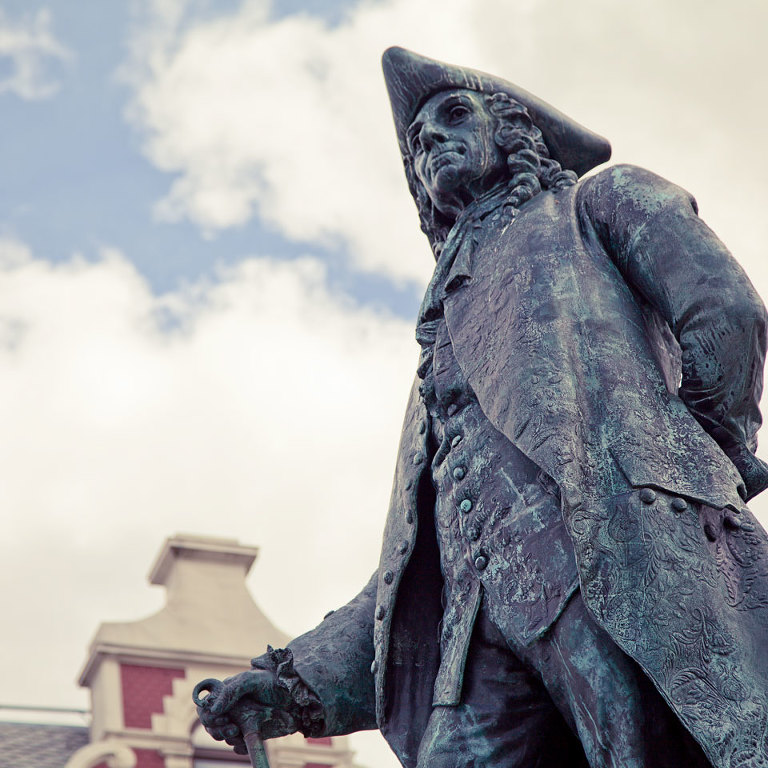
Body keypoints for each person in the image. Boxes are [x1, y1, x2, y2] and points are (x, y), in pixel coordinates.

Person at [196, 48, 768, 768]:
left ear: (516, 133)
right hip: (475, 640)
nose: (430, 138)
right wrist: (287, 682)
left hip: (615, 561)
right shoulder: (442, 351)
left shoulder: (598, 205)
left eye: (454, 115)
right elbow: (405, 574)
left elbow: (725, 312)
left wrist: (691, 457)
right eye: (416, 143)